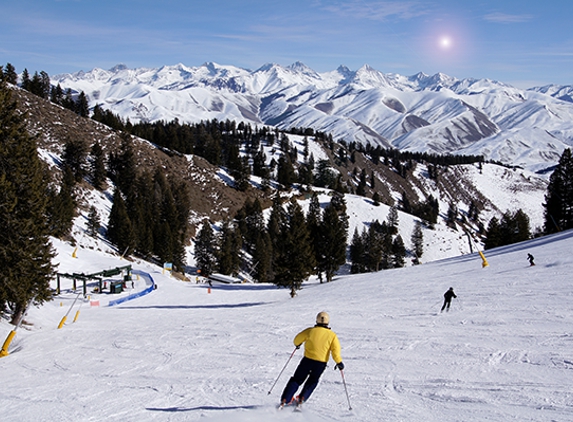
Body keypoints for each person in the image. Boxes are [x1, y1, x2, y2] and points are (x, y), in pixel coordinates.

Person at [280, 311, 344, 408]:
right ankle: (301, 399)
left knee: (297, 379)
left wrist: (298, 344)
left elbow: (297, 339)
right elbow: (335, 351)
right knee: (312, 381)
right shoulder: (332, 335)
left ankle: (286, 399)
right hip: (321, 363)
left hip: (307, 360)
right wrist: (339, 362)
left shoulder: (310, 331)